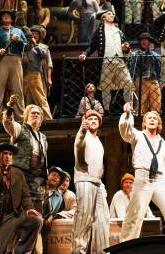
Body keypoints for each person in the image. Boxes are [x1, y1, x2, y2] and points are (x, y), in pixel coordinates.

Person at [119, 103, 165, 241]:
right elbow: (126, 132)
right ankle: (125, 246)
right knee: (135, 215)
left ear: (158, 123)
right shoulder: (138, 135)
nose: (152, 119)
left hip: (159, 180)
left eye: (155, 118)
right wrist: (128, 115)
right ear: (144, 123)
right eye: (149, 118)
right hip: (143, 179)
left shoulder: (162, 142)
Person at [0, 143, 42, 254]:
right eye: (5, 153)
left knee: (36, 220)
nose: (8, 156)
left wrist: (29, 208)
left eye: (10, 154)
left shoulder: (18, 173)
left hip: (17, 213)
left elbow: (25, 195)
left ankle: (22, 251)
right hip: (0, 218)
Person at [79, 9, 133, 110]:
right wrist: (84, 54)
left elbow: (125, 47)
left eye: (112, 14)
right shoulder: (99, 32)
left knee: (128, 84)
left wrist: (126, 48)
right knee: (106, 87)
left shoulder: (119, 31)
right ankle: (106, 110)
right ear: (103, 17)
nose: (112, 15)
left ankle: (129, 107)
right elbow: (92, 46)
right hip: (106, 62)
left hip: (120, 62)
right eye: (109, 14)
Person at [73, 109, 110, 254]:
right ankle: (78, 252)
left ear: (99, 123)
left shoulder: (98, 140)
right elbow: (78, 143)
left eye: (96, 119)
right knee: (84, 218)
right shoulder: (83, 135)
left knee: (102, 219)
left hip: (98, 182)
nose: (93, 121)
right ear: (86, 121)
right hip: (84, 180)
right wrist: (82, 130)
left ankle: (101, 251)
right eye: (90, 119)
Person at [3, 104, 48, 212]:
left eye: (38, 113)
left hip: (37, 180)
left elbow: (44, 158)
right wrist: (9, 111)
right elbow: (9, 124)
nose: (36, 115)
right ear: (27, 116)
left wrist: (45, 178)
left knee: (38, 213)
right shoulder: (20, 129)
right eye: (33, 113)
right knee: (22, 211)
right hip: (21, 175)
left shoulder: (43, 137)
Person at [0, 9, 27, 121]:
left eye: (9, 16)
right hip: (1, 61)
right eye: (4, 15)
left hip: (16, 60)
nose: (6, 17)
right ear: (1, 19)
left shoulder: (18, 31)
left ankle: (21, 116)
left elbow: (26, 46)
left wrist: (19, 41)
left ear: (12, 19)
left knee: (17, 89)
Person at [22, 25, 53, 120]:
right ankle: (29, 120)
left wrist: (49, 78)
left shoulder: (42, 47)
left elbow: (48, 63)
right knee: (28, 100)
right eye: (32, 34)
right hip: (26, 76)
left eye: (36, 34)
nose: (34, 35)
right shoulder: (26, 48)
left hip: (37, 75)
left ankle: (47, 119)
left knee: (41, 98)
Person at [128, 32, 162, 114]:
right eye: (142, 40)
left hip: (153, 80)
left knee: (156, 104)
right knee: (141, 106)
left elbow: (159, 69)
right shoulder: (136, 55)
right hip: (141, 81)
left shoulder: (155, 55)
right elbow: (132, 69)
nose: (143, 42)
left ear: (149, 42)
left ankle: (155, 117)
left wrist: (159, 81)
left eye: (146, 40)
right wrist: (132, 82)